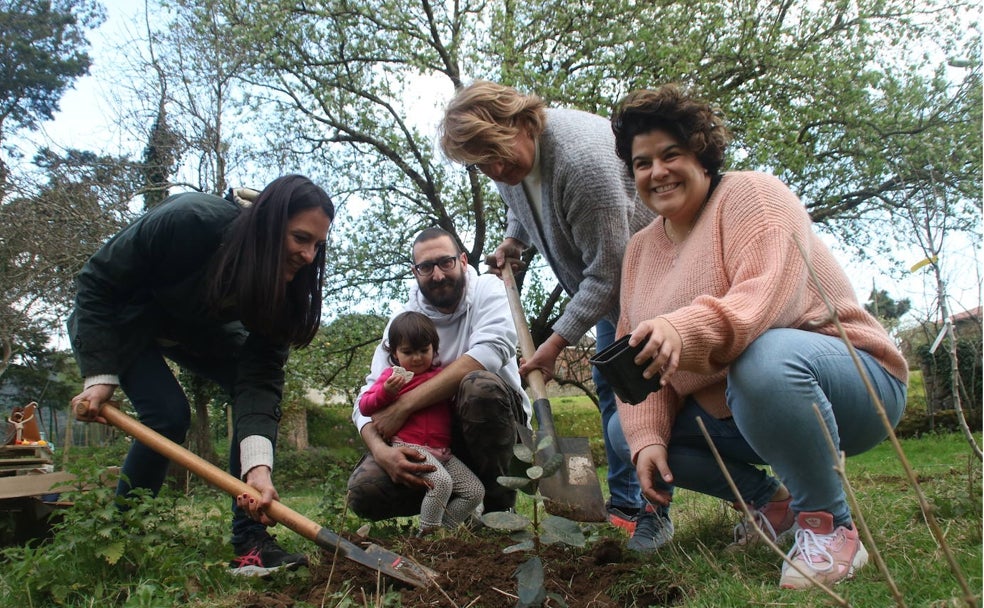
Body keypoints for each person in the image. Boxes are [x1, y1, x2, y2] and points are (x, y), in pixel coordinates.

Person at [609, 84, 908, 588]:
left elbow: (765, 303)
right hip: (744, 405)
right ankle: (773, 504)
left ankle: (830, 526)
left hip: (851, 383)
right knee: (629, 434)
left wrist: (681, 326)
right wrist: (646, 436)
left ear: (701, 155)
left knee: (764, 357)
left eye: (670, 154)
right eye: (642, 163)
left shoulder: (754, 196)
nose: (656, 172)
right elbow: (634, 359)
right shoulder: (640, 250)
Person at [438, 80, 669, 552]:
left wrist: (556, 342)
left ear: (524, 121)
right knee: (612, 392)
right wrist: (514, 241)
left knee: (647, 396)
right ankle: (624, 505)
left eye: (498, 156)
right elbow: (521, 201)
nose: (496, 170)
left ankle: (655, 512)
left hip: (651, 282)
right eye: (483, 165)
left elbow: (606, 273)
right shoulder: (510, 161)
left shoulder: (583, 164)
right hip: (612, 288)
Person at [68, 175, 335, 577]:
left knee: (248, 389)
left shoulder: (284, 290)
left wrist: (257, 468)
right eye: (300, 238)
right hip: (121, 317)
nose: (309, 256)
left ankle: (250, 545)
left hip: (193, 327)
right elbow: (96, 284)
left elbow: (259, 379)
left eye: (317, 244)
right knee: (169, 415)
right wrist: (100, 375)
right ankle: (117, 537)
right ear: (266, 224)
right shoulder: (188, 220)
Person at [348, 227, 532, 520]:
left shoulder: (490, 289)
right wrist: (382, 452)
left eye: (445, 262)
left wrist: (404, 405)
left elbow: (487, 354)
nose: (437, 275)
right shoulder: (403, 322)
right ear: (415, 271)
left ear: (461, 260)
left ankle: (499, 508)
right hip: (428, 442)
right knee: (364, 492)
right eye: (426, 267)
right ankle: (447, 512)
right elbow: (366, 400)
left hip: (496, 427)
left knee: (478, 386)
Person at [358, 311, 484, 535]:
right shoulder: (392, 377)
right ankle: (427, 534)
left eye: (423, 351)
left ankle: (446, 530)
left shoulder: (442, 377)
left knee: (474, 492)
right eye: (408, 352)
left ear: (434, 349)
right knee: (441, 484)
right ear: (395, 354)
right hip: (411, 448)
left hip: (443, 452)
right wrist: (386, 393)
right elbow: (365, 406)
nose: (416, 358)